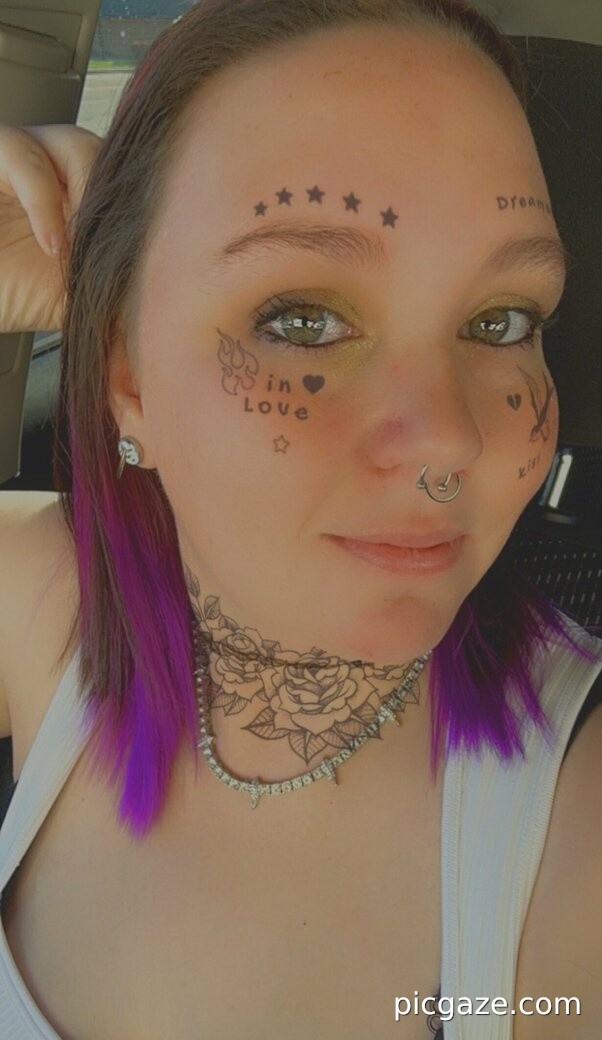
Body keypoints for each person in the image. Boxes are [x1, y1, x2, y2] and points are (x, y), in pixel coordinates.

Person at [0, 1, 600, 1037]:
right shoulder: (44, 599)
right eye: (303, 319)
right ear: (125, 376)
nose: (446, 440)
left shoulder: (576, 837)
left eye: (499, 320)